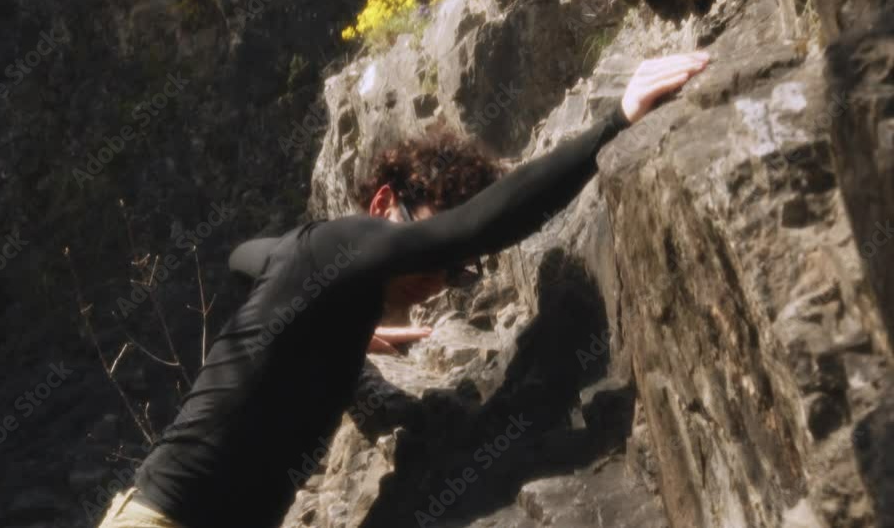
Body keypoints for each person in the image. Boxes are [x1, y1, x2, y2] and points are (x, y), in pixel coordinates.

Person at [96, 51, 710, 528]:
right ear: (384, 203)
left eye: (456, 270)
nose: (436, 278)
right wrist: (615, 121)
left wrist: (329, 320)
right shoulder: (340, 243)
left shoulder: (314, 265)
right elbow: (480, 224)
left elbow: (243, 256)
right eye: (430, 247)